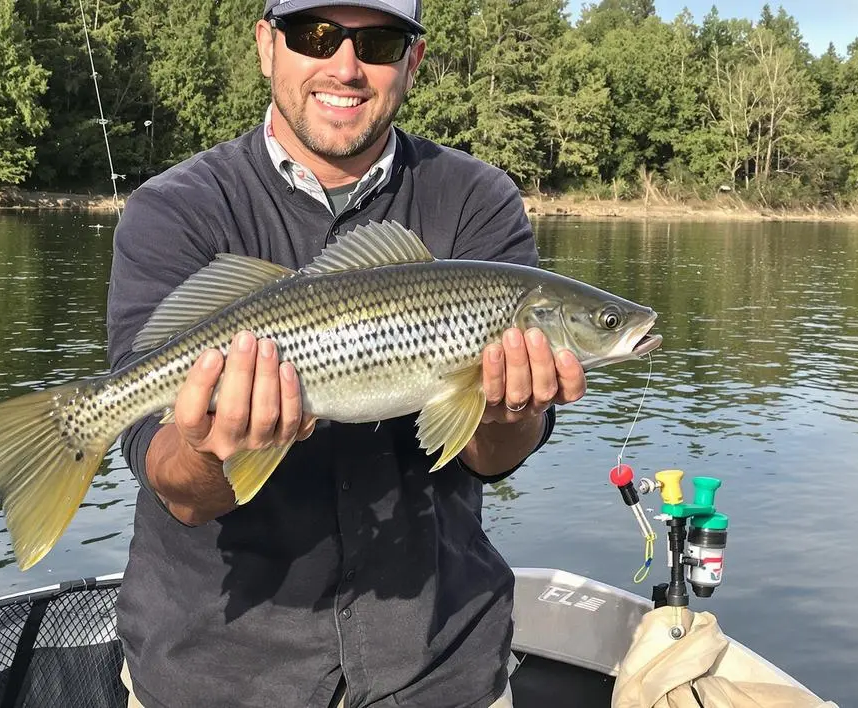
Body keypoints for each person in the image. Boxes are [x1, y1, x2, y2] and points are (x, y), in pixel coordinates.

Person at [105, 1, 588, 706]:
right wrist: (211, 451)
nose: (345, 66)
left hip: (441, 670)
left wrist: (508, 411)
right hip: (214, 677)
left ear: (412, 62)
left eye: (380, 41)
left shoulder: (478, 199)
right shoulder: (173, 209)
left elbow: (494, 454)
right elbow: (168, 476)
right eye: (315, 35)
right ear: (267, 46)